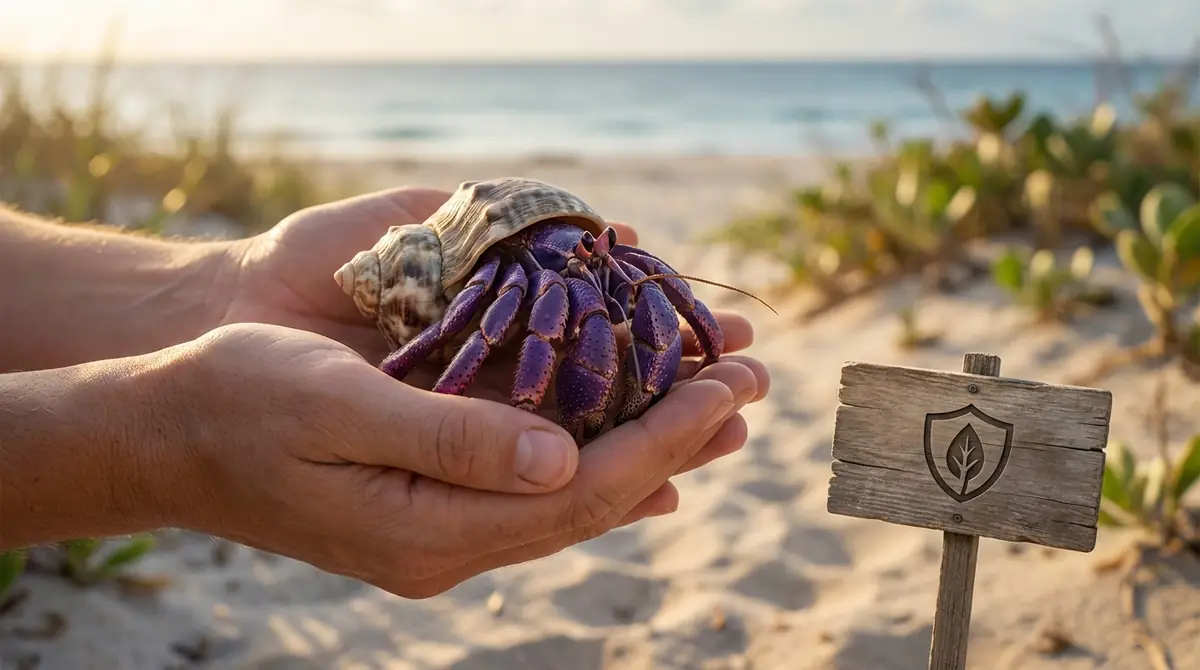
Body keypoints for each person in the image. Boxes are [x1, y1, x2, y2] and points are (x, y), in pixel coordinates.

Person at [0, 186, 770, 599]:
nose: (606, 261)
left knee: (622, 279)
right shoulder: (517, 274)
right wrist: (171, 443)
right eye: (592, 252)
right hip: (504, 273)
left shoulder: (592, 253)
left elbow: (625, 274)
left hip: (543, 250)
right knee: (549, 307)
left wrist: (220, 285)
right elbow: (513, 311)